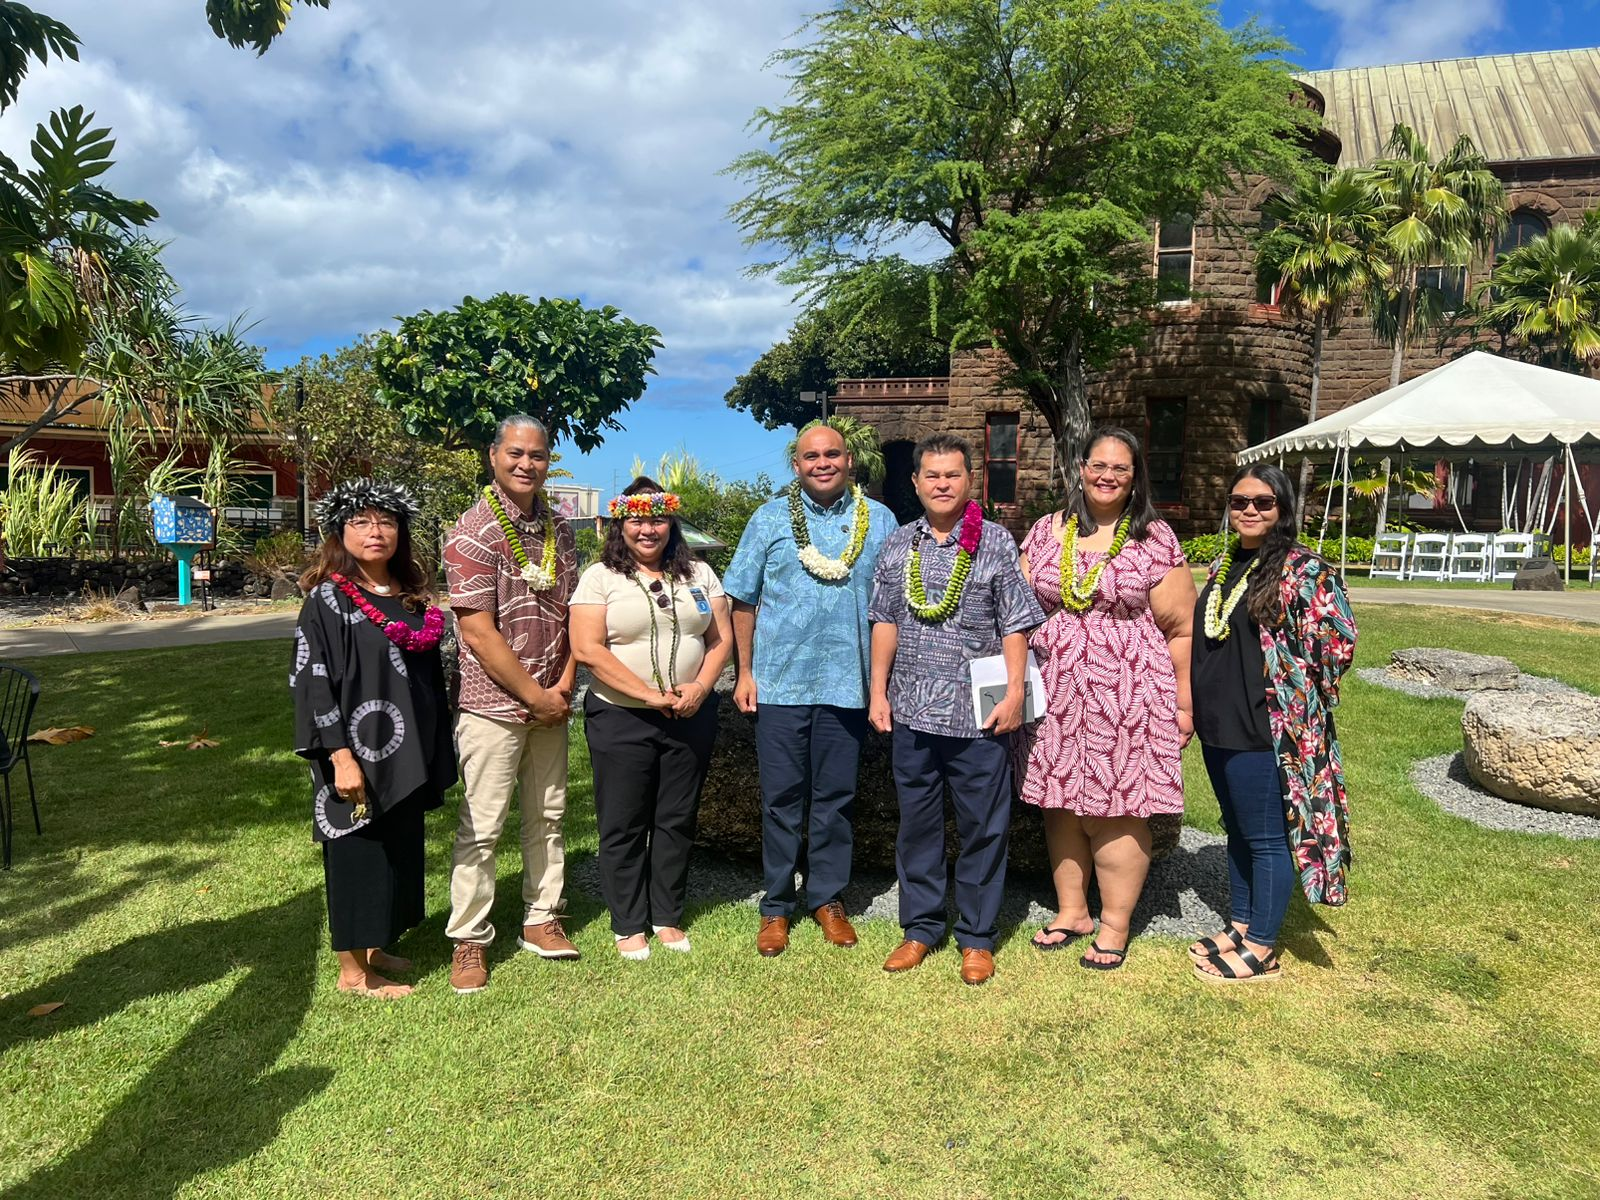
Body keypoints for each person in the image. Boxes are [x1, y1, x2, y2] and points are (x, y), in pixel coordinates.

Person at [1015, 427, 1196, 970]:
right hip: (1056, 686)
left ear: (1136, 476)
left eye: (1121, 468)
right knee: (1061, 799)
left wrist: (1184, 706)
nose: (1107, 476)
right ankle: (1072, 910)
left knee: (1121, 805)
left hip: (1132, 690)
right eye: (1099, 465)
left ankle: (1115, 924)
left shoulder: (1154, 537)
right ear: (1080, 468)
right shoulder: (1049, 531)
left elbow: (1181, 626)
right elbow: (1018, 609)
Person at [868, 434, 1045, 986]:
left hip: (978, 716)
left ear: (969, 481)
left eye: (952, 475)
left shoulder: (995, 543)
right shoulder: (898, 545)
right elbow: (885, 622)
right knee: (917, 826)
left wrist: (1015, 693)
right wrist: (878, 691)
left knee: (983, 828)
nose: (942, 484)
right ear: (916, 483)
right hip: (913, 711)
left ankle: (976, 936)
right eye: (931, 475)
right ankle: (920, 928)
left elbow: (1016, 623)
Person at [723, 421, 898, 957]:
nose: (822, 463)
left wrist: (880, 687)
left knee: (835, 800)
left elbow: (890, 608)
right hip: (780, 683)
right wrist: (745, 672)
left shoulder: (882, 520)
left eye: (832, 454)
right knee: (780, 800)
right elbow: (743, 600)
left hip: (848, 685)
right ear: (795, 466)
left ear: (849, 462)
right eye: (810, 456)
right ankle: (776, 905)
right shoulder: (769, 518)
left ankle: (826, 897)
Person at [1189, 463, 1357, 984]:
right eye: (1239, 502)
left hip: (1264, 728)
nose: (1249, 511)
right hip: (1219, 723)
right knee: (1236, 830)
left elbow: (1339, 643)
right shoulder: (1228, 563)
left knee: (1264, 837)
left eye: (1263, 502)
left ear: (1283, 508)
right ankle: (1241, 924)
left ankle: (1262, 945)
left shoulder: (1304, 569)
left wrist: (1293, 686)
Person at [291, 478, 456, 999]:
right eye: (360, 521)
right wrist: (339, 755)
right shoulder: (328, 599)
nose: (375, 531)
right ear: (341, 532)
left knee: (397, 848)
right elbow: (314, 679)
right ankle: (352, 973)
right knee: (356, 849)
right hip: (353, 746)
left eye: (386, 521)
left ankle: (376, 944)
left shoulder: (411, 598)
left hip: (407, 748)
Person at [443, 415, 579, 995]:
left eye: (539, 455)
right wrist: (536, 696)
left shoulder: (563, 529)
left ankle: (542, 917)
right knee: (483, 824)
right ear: (493, 456)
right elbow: (478, 632)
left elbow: (578, 613)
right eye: (516, 453)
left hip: (554, 699)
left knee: (548, 816)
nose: (527, 464)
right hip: (491, 703)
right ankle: (470, 936)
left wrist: (565, 689)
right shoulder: (472, 531)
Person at [570, 477, 733, 960]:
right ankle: (628, 922)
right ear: (621, 524)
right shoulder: (600, 576)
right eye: (637, 519)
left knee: (676, 818)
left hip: (689, 713)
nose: (648, 528)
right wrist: (647, 694)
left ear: (672, 522)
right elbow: (587, 648)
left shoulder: (700, 574)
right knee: (623, 820)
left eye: (657, 518)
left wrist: (700, 687)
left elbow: (721, 639)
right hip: (622, 716)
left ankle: (666, 914)